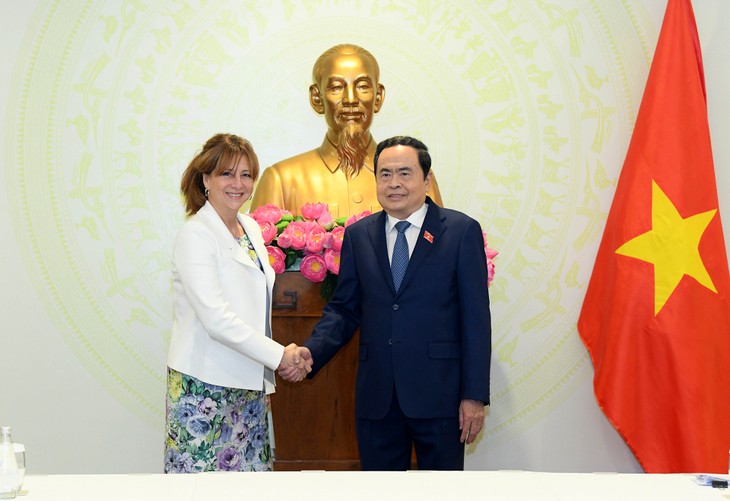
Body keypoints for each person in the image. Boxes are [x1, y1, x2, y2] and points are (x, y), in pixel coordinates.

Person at [281, 136, 491, 470]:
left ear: (426, 179)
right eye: (385, 174)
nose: (394, 183)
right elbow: (345, 309)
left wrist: (474, 395)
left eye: (405, 173)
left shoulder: (460, 232)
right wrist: (312, 351)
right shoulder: (359, 236)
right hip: (377, 398)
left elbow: (476, 321)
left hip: (441, 397)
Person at [165, 133, 312, 473]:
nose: (238, 184)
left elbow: (253, 306)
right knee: (200, 490)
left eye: (246, 175)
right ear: (205, 180)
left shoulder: (249, 228)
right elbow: (216, 319)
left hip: (249, 385)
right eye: (226, 174)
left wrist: (271, 367)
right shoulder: (196, 235)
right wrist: (280, 356)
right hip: (203, 388)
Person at [250, 44, 443, 217]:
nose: (351, 99)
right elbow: (259, 255)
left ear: (378, 97)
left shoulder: (416, 175)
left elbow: (440, 251)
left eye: (362, 87)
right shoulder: (281, 180)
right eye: (336, 88)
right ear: (317, 99)